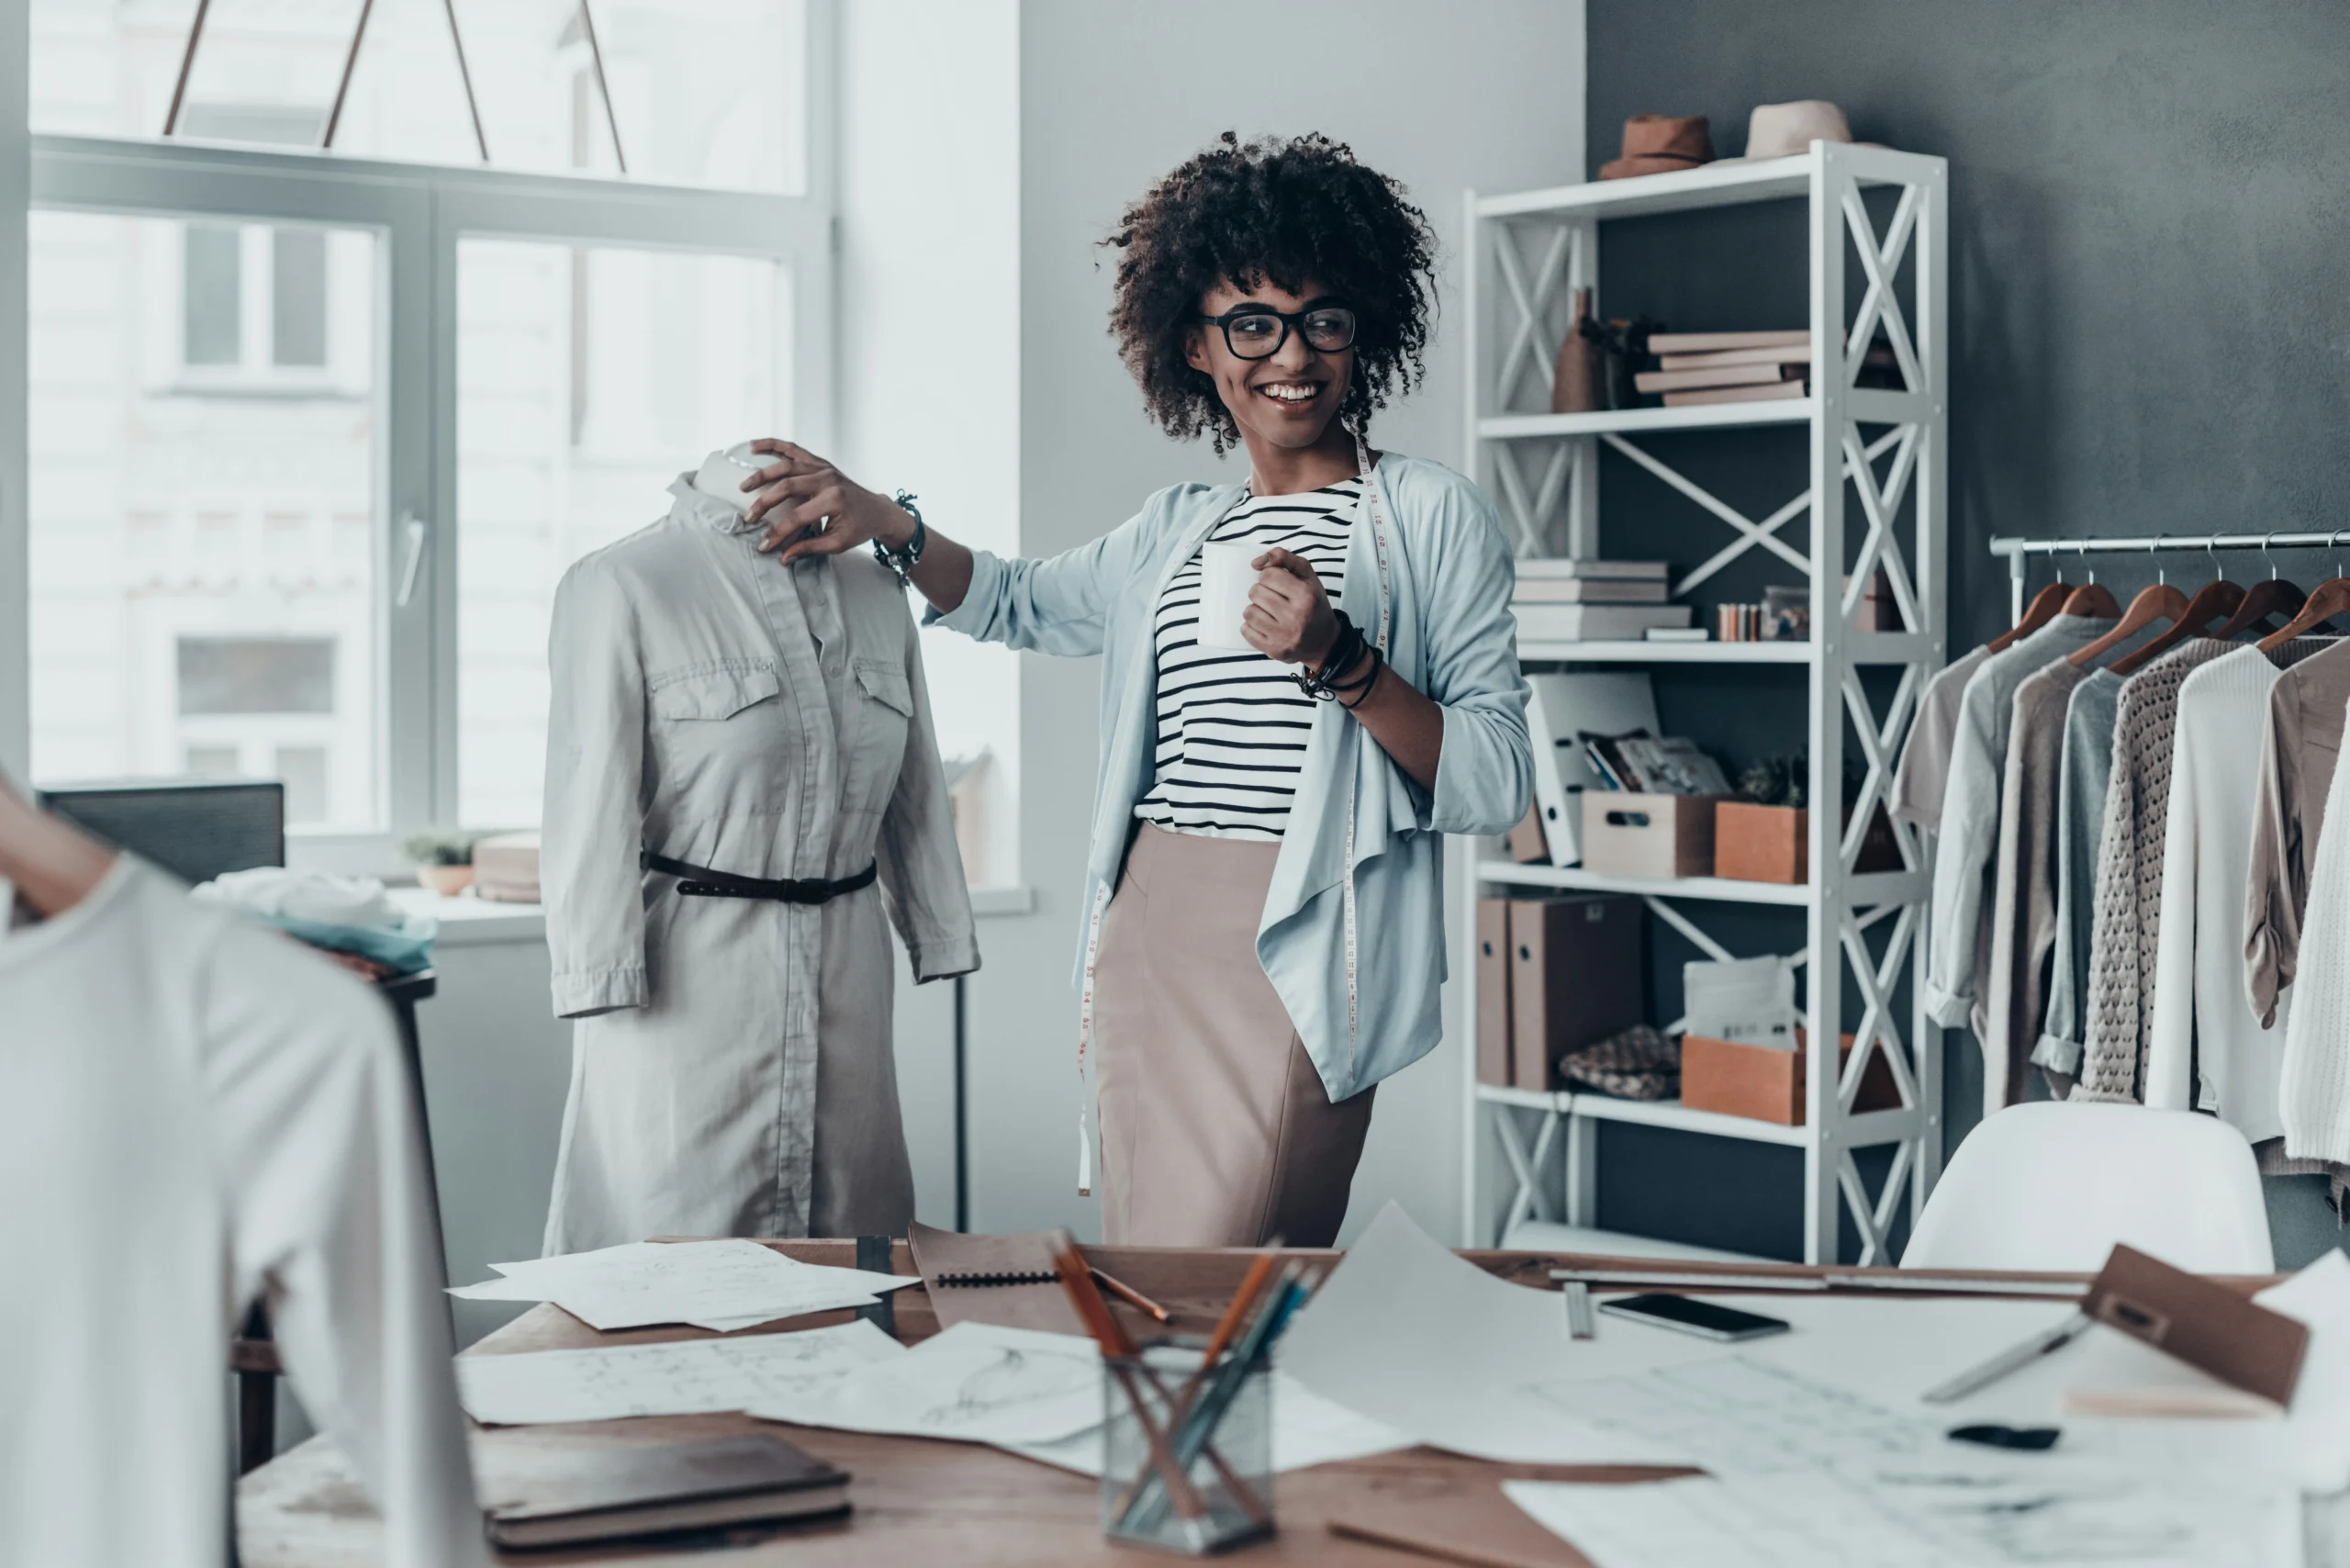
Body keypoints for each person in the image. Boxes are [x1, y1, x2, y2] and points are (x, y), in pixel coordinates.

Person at [739, 132, 1530, 1247]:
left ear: (1363, 334)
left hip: (1301, 930)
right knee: (1157, 1273)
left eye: (1322, 319)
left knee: (1235, 1257)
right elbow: (1015, 599)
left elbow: (1496, 776)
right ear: (1195, 348)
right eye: (1250, 323)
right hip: (1149, 927)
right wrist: (888, 523)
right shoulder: (1173, 533)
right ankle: (1171, 1430)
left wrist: (1339, 660)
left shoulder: (1429, 517)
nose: (1289, 354)